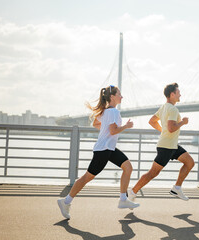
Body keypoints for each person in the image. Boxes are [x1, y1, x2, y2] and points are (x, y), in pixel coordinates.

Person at [58, 85, 139, 219]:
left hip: (109, 148)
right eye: (119, 94)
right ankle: (65, 201)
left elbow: (96, 124)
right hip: (103, 150)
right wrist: (126, 126)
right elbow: (113, 131)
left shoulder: (105, 111)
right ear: (112, 97)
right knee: (87, 177)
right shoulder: (114, 112)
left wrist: (106, 129)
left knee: (128, 167)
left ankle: (123, 199)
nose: (122, 96)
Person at [128, 83, 195, 203]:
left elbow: (152, 121)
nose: (180, 94)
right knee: (152, 173)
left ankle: (177, 188)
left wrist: (162, 130)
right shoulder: (173, 109)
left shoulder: (164, 107)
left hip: (172, 145)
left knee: (189, 162)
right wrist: (183, 122)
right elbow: (171, 128)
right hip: (166, 147)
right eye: (178, 92)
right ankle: (132, 192)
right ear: (172, 94)